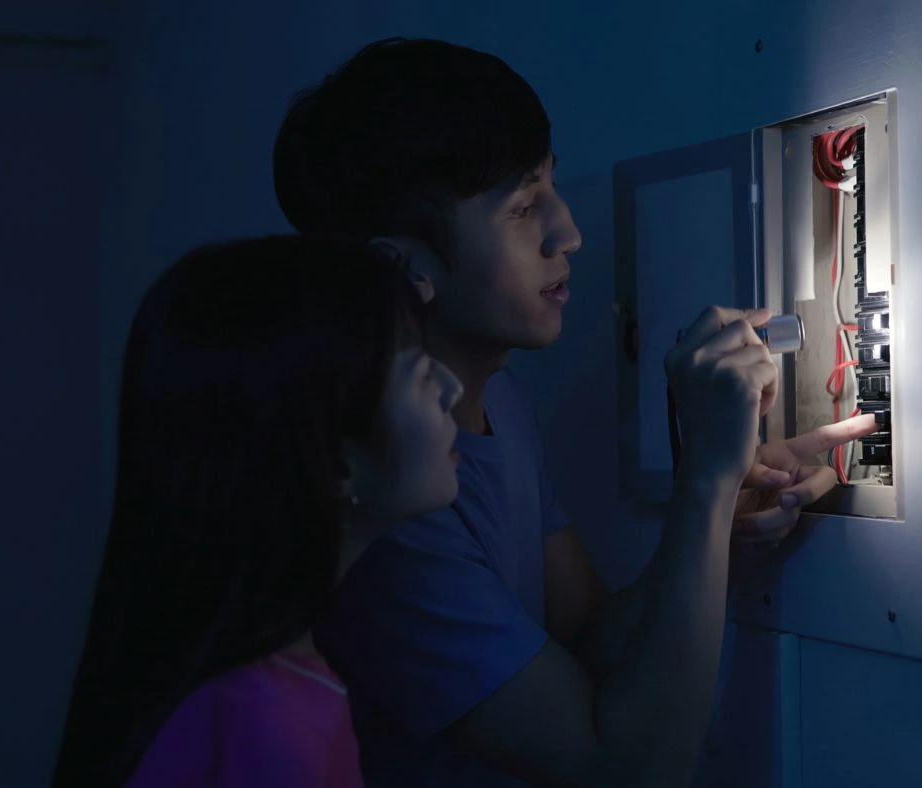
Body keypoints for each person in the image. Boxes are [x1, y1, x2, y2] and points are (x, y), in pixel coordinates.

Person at [272, 38, 880, 786]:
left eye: (551, 185)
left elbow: (586, 640)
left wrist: (716, 518)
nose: (568, 232)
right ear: (402, 262)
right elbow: (629, 769)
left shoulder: (500, 401)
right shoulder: (390, 506)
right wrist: (703, 486)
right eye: (523, 206)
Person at [51, 235, 465, 787]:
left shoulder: (249, 692)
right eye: (422, 374)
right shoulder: (266, 729)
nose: (453, 389)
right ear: (333, 461)